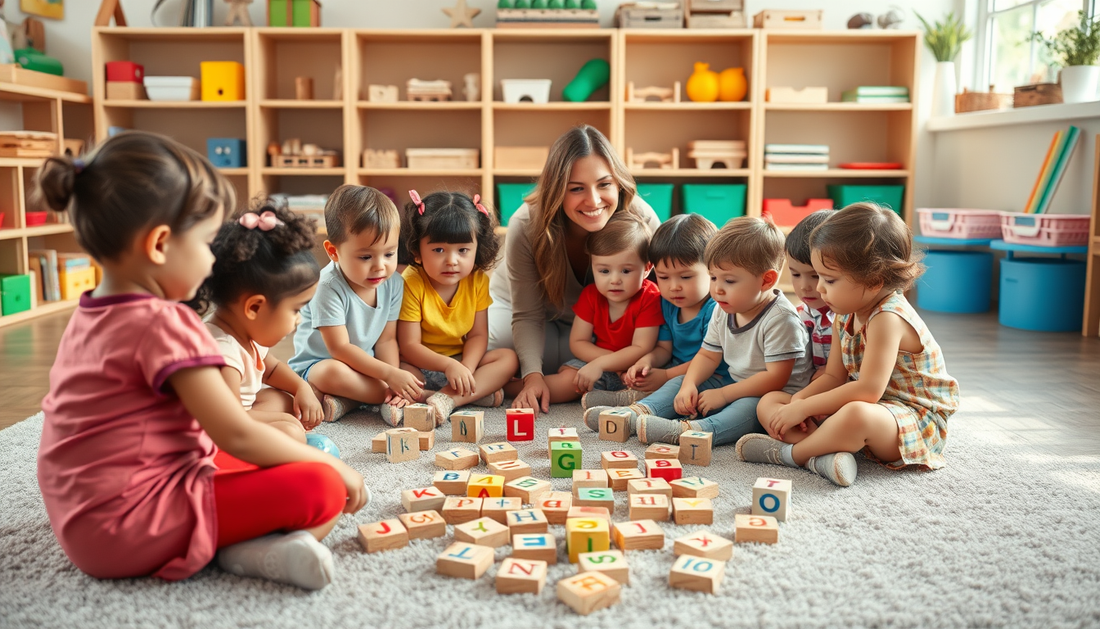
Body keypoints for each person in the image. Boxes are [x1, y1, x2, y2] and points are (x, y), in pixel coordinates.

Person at [36, 131, 367, 591]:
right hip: (132, 525)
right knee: (321, 488)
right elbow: (235, 432)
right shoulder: (165, 324)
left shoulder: (90, 312)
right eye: (205, 242)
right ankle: (243, 552)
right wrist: (336, 468)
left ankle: (236, 536)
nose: (212, 262)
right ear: (159, 245)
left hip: (81, 520)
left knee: (279, 453)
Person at [739, 203, 961, 487]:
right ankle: (824, 457)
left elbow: (867, 391)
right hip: (871, 410)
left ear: (874, 280)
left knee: (855, 414)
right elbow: (834, 377)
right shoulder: (844, 312)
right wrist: (799, 402)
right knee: (772, 401)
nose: (819, 289)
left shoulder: (888, 318)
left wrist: (805, 410)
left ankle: (791, 455)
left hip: (911, 419)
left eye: (829, 280)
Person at [587, 216, 813, 446]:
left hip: (772, 394)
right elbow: (707, 355)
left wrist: (724, 395)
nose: (717, 289)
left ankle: (691, 430)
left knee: (748, 407)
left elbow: (774, 379)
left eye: (729, 281)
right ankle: (636, 412)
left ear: (766, 281)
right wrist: (689, 385)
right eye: (713, 277)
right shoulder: (725, 308)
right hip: (734, 383)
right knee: (681, 380)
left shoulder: (781, 319)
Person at [488, 125, 660, 415]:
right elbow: (527, 314)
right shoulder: (527, 224)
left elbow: (662, 294)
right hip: (528, 310)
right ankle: (492, 385)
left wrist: (648, 357)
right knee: (501, 352)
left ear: (618, 183)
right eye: (576, 188)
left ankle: (498, 386)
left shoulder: (640, 219)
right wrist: (532, 376)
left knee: (580, 372)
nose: (593, 201)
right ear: (557, 192)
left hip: (599, 323)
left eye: (604, 184)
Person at [189, 202, 327, 446]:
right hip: (220, 431)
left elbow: (271, 369)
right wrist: (285, 424)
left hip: (240, 412)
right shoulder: (224, 353)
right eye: (295, 309)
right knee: (291, 430)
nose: (298, 319)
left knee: (283, 399)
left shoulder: (245, 331)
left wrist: (301, 388)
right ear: (254, 307)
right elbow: (228, 423)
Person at [288, 185, 423, 426]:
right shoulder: (327, 286)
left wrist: (392, 375)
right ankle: (417, 398)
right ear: (333, 252)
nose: (380, 266)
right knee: (332, 372)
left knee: (410, 372)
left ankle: (351, 401)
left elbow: (386, 341)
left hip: (366, 366)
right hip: (319, 366)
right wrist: (390, 377)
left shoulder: (393, 284)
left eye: (389, 254)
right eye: (365, 257)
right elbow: (339, 349)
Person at [582, 213, 730, 417]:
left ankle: (638, 410)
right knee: (647, 376)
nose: (674, 287)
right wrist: (647, 362)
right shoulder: (666, 304)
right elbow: (663, 348)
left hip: (712, 376)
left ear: (712, 270)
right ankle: (628, 397)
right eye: (663, 277)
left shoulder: (716, 310)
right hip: (676, 367)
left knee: (675, 383)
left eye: (686, 277)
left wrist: (667, 375)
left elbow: (708, 360)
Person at [395, 190, 518, 422]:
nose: (452, 260)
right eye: (438, 250)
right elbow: (409, 345)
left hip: (460, 361)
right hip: (419, 365)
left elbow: (478, 335)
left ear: (476, 249)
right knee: (396, 371)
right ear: (417, 252)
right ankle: (469, 394)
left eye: (463, 250)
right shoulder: (411, 281)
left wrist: (466, 368)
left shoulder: (478, 280)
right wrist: (449, 366)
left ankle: (447, 399)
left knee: (508, 358)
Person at [541, 211, 663, 403]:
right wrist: (602, 364)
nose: (614, 280)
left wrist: (606, 364)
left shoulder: (650, 297)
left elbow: (641, 348)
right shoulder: (591, 295)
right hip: (597, 364)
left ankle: (610, 399)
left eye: (626, 271)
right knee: (568, 383)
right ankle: (507, 388)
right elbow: (578, 342)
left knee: (650, 385)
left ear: (647, 268)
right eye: (604, 270)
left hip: (633, 369)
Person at [785, 209, 835, 380]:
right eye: (796, 274)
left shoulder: (849, 317)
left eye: (815, 276)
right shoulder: (798, 315)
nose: (804, 287)